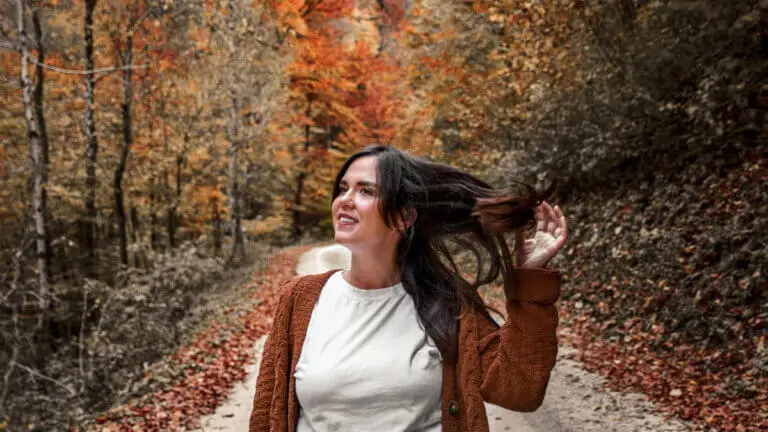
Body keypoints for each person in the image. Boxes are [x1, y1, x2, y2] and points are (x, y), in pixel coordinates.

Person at [249, 145, 568, 432]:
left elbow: (520, 388)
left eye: (365, 191)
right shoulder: (299, 298)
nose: (344, 200)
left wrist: (530, 281)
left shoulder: (448, 303)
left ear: (404, 217)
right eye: (343, 188)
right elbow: (266, 414)